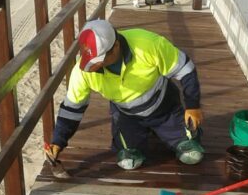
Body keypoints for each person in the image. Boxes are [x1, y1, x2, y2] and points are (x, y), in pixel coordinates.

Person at [45, 19, 204, 171]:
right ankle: (140, 137)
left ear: (116, 46)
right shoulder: (83, 71)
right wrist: (58, 141)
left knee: (192, 154)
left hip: (164, 108)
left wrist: (193, 106)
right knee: (129, 161)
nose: (93, 66)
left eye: (99, 60)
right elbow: (72, 109)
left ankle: (169, 131)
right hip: (127, 116)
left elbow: (186, 69)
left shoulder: (148, 44)